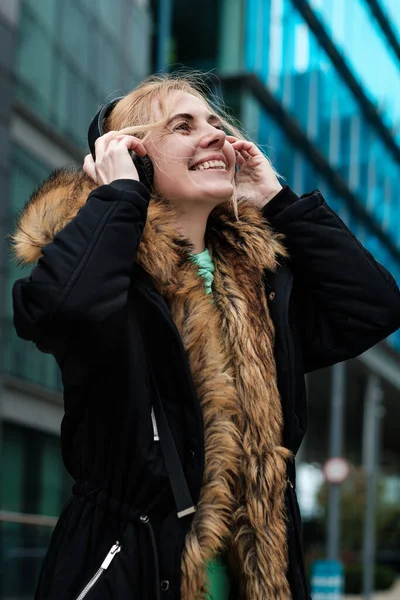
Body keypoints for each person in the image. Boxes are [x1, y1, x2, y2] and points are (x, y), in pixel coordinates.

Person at [11, 72, 400, 600]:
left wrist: (278, 200)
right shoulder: (112, 277)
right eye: (183, 126)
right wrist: (122, 193)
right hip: (133, 575)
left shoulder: (259, 288)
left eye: (217, 123)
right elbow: (60, 307)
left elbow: (373, 308)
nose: (215, 135)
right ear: (134, 157)